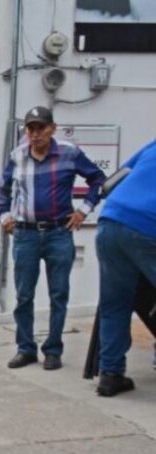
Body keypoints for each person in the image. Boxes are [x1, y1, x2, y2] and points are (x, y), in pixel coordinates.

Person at [0, 106, 106, 370]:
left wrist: (83, 211)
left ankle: (53, 350)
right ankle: (25, 349)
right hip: (25, 234)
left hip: (59, 233)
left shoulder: (69, 153)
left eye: (41, 128)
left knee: (59, 294)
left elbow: (98, 180)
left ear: (52, 128)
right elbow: (3, 189)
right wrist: (4, 216)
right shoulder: (17, 156)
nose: (35, 134)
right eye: (31, 128)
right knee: (24, 295)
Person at [93, 138, 156, 396]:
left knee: (115, 303)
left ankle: (110, 375)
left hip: (111, 220)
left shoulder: (153, 146)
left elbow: (109, 184)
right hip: (148, 226)